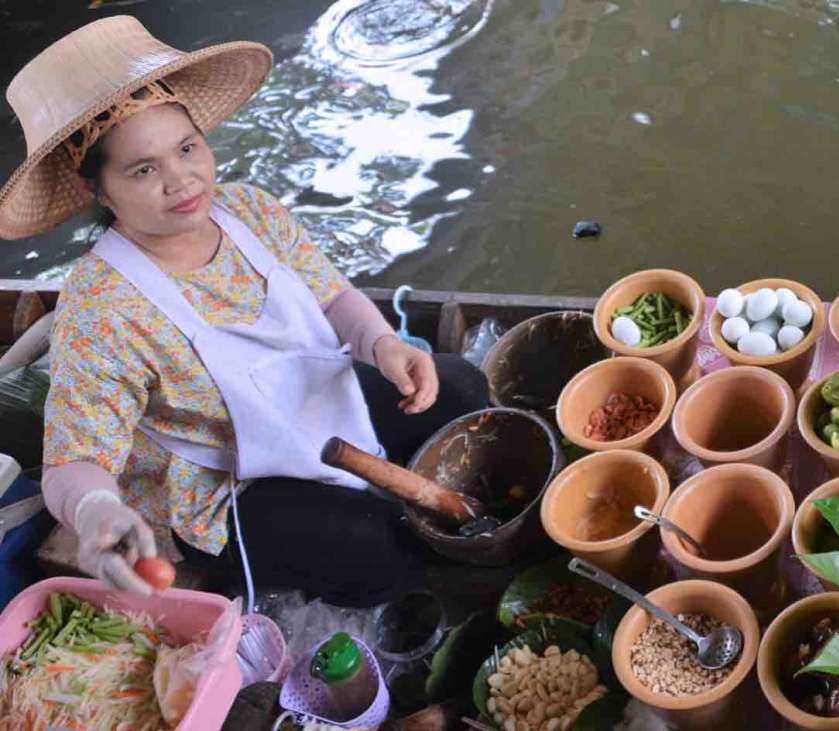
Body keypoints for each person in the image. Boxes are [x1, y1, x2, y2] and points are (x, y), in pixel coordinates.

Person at [0, 16, 488, 607]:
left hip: (313, 403)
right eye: (143, 169)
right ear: (100, 191)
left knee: (462, 389)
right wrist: (98, 509)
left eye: (187, 148)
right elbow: (72, 461)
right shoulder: (100, 307)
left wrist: (383, 344)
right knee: (381, 550)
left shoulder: (251, 210)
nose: (182, 180)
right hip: (227, 481)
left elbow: (334, 297)